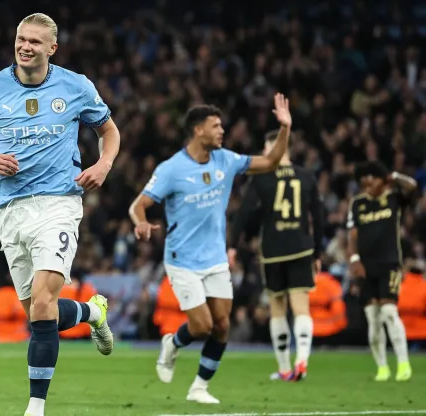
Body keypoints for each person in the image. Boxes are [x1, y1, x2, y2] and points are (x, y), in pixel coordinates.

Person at [0, 12, 121, 416]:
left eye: (34, 41)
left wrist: (102, 166)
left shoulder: (75, 86)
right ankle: (91, 312)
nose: (25, 46)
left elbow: (109, 131)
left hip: (59, 202)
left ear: (52, 48)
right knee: (38, 312)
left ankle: (36, 406)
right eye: (21, 39)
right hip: (11, 208)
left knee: (45, 303)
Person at [128, 94, 291, 404]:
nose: (222, 131)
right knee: (201, 326)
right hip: (182, 260)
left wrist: (285, 128)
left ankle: (199, 387)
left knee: (222, 325)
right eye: (216, 126)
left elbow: (270, 162)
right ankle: (172, 344)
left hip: (215, 258)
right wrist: (141, 222)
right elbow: (139, 204)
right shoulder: (171, 169)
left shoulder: (226, 160)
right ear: (197, 131)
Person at [229, 130, 324, 381]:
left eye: (266, 147)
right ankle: (301, 361)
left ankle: (284, 368)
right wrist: (318, 251)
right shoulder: (307, 176)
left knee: (278, 309)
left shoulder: (261, 178)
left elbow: (243, 214)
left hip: (272, 251)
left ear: (278, 146)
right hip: (302, 248)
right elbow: (319, 217)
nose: (263, 152)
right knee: (301, 307)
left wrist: (232, 245)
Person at [347, 161, 416, 382]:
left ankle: (403, 363)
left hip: (390, 264)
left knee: (388, 312)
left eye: (372, 179)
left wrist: (393, 175)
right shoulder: (357, 204)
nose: (367, 184)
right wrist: (354, 259)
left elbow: (413, 187)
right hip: (366, 268)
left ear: (382, 181)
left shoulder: (394, 198)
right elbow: (353, 235)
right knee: (373, 318)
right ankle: (382, 367)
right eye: (364, 182)